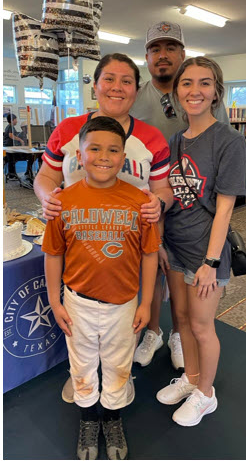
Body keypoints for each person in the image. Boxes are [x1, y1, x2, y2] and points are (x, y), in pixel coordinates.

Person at [33, 53, 174, 404]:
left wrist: (159, 204)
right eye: (108, 78)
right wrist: (49, 198)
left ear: (136, 90)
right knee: (79, 321)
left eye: (126, 81)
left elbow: (164, 190)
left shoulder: (151, 138)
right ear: (95, 85)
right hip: (79, 241)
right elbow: (46, 176)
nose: (117, 87)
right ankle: (83, 379)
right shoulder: (68, 130)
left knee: (120, 330)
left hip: (127, 246)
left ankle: (112, 387)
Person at [43, 116, 160, 460]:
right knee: (81, 365)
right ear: (79, 155)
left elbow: (150, 256)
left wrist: (146, 303)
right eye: (94, 148)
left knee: (118, 364)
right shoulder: (63, 201)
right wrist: (54, 300)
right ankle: (88, 418)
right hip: (77, 302)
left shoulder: (139, 201)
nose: (103, 156)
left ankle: (112, 417)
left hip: (123, 303)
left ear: (124, 158)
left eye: (112, 150)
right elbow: (53, 254)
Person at [129, 21, 231, 372]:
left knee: (186, 295)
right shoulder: (137, 97)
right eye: (156, 49)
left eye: (171, 48)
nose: (163, 55)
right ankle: (154, 332)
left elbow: (224, 166)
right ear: (147, 57)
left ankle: (178, 335)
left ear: (182, 54)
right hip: (155, 203)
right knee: (153, 274)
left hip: (197, 211)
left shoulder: (205, 99)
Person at [155, 56, 246, 426]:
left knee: (202, 326)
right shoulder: (176, 140)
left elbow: (225, 210)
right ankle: (191, 379)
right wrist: (160, 241)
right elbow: (170, 195)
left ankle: (205, 394)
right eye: (187, 83)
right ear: (177, 92)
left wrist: (210, 263)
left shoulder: (229, 140)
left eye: (204, 83)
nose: (195, 90)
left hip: (205, 254)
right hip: (174, 247)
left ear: (216, 92)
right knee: (180, 318)